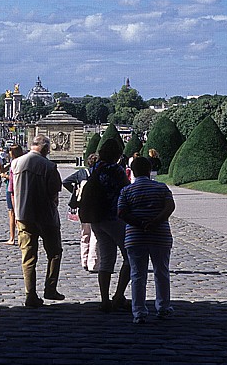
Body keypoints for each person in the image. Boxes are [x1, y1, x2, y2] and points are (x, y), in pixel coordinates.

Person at [118, 157, 176, 324]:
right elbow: (170, 207)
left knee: (137, 275)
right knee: (162, 272)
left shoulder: (126, 191)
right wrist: (156, 221)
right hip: (160, 235)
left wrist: (139, 223)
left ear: (133, 171)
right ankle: (163, 307)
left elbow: (121, 213)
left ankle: (139, 311)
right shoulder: (161, 187)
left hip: (135, 237)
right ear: (150, 170)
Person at [11, 135, 64, 307]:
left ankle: (30, 294)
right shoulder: (49, 165)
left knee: (28, 256)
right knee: (54, 253)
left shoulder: (16, 163)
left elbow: (12, 190)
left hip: (23, 215)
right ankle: (50, 288)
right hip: (46, 215)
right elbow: (54, 190)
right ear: (46, 149)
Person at [81, 138, 132, 313]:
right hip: (114, 217)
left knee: (107, 259)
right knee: (130, 257)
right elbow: (126, 191)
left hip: (97, 218)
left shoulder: (96, 167)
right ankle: (118, 295)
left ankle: (104, 299)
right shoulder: (116, 169)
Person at [62, 153, 99, 272]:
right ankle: (93, 263)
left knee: (85, 234)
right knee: (95, 235)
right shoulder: (100, 174)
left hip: (82, 207)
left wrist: (75, 192)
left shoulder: (81, 173)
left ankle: (84, 260)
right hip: (96, 207)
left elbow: (66, 182)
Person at [2, 145, 23, 245]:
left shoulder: (14, 162)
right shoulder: (23, 162)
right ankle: (20, 236)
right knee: (19, 213)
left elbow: (14, 178)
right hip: (21, 190)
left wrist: (5, 176)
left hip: (12, 190)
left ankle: (12, 237)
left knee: (12, 214)